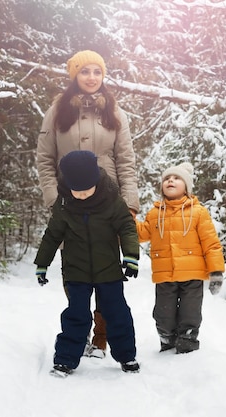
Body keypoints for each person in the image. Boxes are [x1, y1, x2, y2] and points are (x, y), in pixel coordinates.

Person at [36, 49, 140, 359]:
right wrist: (55, 199)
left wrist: (129, 202)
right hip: (70, 201)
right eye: (85, 71)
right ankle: (78, 334)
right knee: (77, 268)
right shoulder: (57, 110)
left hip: (108, 203)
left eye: (97, 71)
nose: (92, 77)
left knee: (108, 273)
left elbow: (126, 159)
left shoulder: (115, 111)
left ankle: (102, 338)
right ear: (74, 75)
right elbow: (44, 159)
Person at [34, 150, 140, 377]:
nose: (81, 195)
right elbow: (52, 235)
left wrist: (131, 257)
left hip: (109, 270)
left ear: (96, 182)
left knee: (117, 313)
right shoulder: (63, 205)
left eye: (86, 190)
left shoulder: (112, 200)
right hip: (76, 271)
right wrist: (42, 264)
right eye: (76, 191)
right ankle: (65, 360)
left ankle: (127, 356)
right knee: (76, 315)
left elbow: (127, 228)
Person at [136, 162, 225, 354]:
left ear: (187, 186)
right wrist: (126, 219)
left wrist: (216, 271)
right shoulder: (155, 213)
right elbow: (141, 234)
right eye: (167, 178)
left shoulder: (198, 212)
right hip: (164, 275)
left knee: (190, 313)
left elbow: (211, 243)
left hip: (193, 274)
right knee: (163, 314)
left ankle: (188, 342)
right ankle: (167, 340)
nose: (170, 181)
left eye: (176, 178)